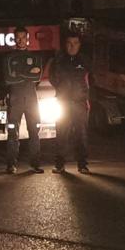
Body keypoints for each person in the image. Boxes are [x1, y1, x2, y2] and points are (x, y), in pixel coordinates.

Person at [1, 26, 45, 174]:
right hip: (15, 100)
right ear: (14, 39)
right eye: (17, 38)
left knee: (34, 132)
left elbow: (37, 77)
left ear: (27, 39)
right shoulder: (8, 58)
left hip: (32, 100)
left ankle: (35, 164)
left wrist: (18, 74)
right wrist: (28, 72)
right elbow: (8, 79)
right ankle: (11, 165)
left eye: (23, 37)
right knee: (13, 133)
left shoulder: (36, 57)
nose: (20, 40)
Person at [50, 31, 91, 174]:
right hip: (63, 103)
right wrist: (61, 91)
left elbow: (91, 80)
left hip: (80, 103)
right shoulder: (59, 60)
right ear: (65, 44)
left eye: (75, 43)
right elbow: (52, 77)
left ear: (79, 45)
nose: (72, 46)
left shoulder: (85, 60)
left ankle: (82, 164)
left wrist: (84, 96)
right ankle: (60, 164)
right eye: (69, 43)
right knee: (62, 133)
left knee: (81, 134)